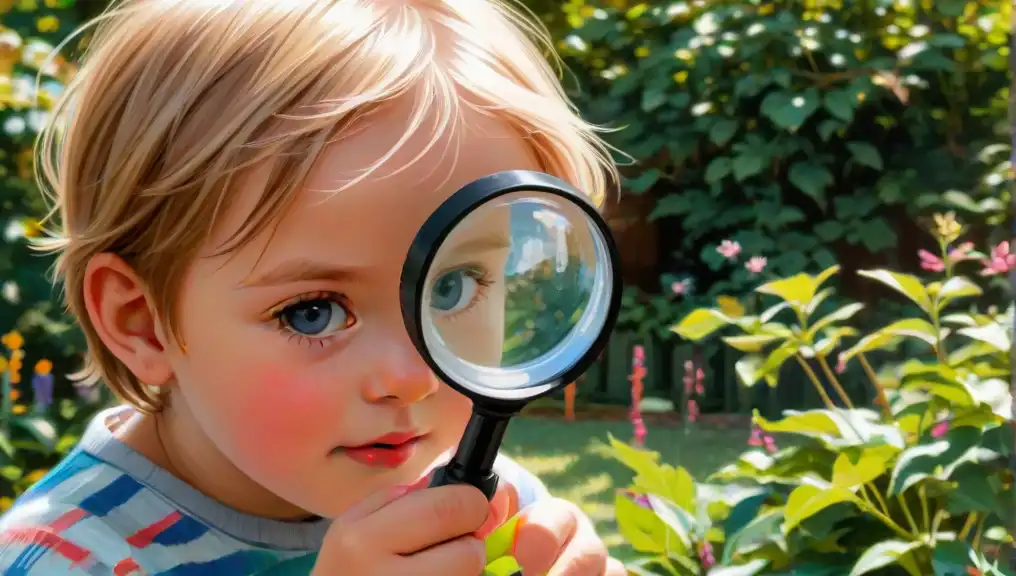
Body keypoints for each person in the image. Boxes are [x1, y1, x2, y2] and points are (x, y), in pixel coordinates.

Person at [0, 0, 627, 574]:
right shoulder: (62, 559)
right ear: (143, 322)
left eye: (453, 288)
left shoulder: (478, 504)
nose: (411, 377)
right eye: (313, 313)